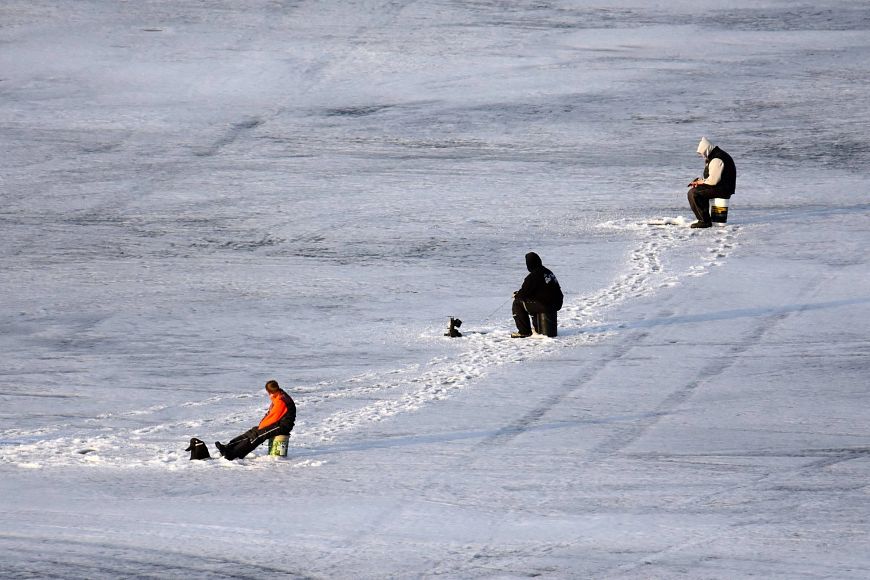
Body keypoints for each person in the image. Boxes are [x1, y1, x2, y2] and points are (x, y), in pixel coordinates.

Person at [215, 380, 296, 460]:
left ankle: (234, 454)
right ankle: (228, 447)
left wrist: (261, 427)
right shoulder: (278, 396)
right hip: (277, 423)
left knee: (258, 435)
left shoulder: (281, 400)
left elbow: (273, 418)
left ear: (269, 391)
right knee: (252, 431)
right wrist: (260, 427)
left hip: (283, 426)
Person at [687, 137, 737, 228]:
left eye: (702, 153)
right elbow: (712, 177)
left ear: (706, 150)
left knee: (693, 193)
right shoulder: (715, 155)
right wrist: (700, 181)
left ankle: (704, 221)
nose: (702, 156)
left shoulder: (717, 159)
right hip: (721, 187)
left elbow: (713, 181)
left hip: (723, 189)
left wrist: (700, 182)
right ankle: (705, 218)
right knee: (696, 191)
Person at [511, 252, 563, 338]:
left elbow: (523, 294)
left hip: (546, 305)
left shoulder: (533, 276)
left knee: (518, 303)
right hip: (557, 303)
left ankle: (524, 331)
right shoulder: (548, 272)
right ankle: (538, 328)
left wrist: (516, 295)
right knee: (534, 301)